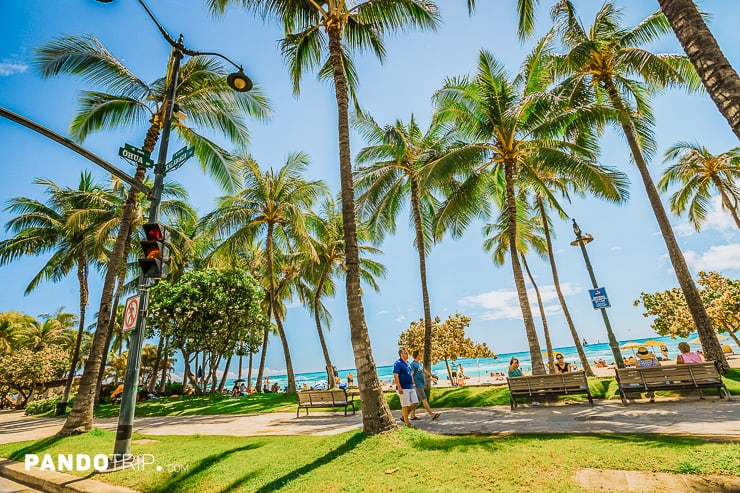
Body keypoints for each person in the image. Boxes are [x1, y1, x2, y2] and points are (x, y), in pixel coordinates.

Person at [408, 350, 441, 421]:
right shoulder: (413, 364)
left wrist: (432, 375)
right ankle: (432, 415)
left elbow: (424, 371)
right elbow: (411, 375)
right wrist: (413, 384)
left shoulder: (419, 364)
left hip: (421, 384)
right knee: (424, 399)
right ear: (416, 356)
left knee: (415, 401)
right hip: (417, 385)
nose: (420, 356)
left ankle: (412, 415)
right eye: (419, 355)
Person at [393, 347, 418, 427]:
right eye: (406, 353)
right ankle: (407, 424)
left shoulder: (408, 363)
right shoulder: (398, 363)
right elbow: (396, 376)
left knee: (415, 402)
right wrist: (399, 387)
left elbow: (410, 375)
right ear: (401, 354)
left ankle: (404, 416)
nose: (407, 354)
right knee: (405, 405)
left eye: (407, 352)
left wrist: (413, 384)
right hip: (403, 388)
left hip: (410, 387)